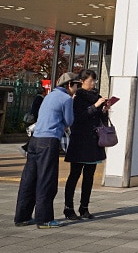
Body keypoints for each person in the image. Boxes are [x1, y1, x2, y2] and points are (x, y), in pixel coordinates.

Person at [14, 72, 81, 229]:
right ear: (69, 85)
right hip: (49, 141)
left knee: (29, 180)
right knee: (46, 180)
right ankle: (44, 219)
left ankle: (22, 216)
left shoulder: (49, 96)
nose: (77, 88)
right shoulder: (66, 99)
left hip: (35, 140)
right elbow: (69, 120)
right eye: (76, 85)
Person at [63, 69, 108, 221]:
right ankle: (68, 208)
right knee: (74, 175)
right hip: (80, 141)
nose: (93, 84)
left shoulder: (97, 96)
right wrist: (95, 106)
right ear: (82, 81)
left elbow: (101, 120)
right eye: (91, 81)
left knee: (89, 176)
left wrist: (104, 110)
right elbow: (78, 118)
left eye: (95, 81)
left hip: (93, 141)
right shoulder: (78, 97)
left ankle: (84, 207)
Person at [20, 87, 46, 155]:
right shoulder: (40, 99)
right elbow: (38, 111)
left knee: (35, 136)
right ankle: (25, 148)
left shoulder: (36, 98)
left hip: (35, 119)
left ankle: (27, 148)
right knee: (35, 136)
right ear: (43, 92)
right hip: (37, 120)